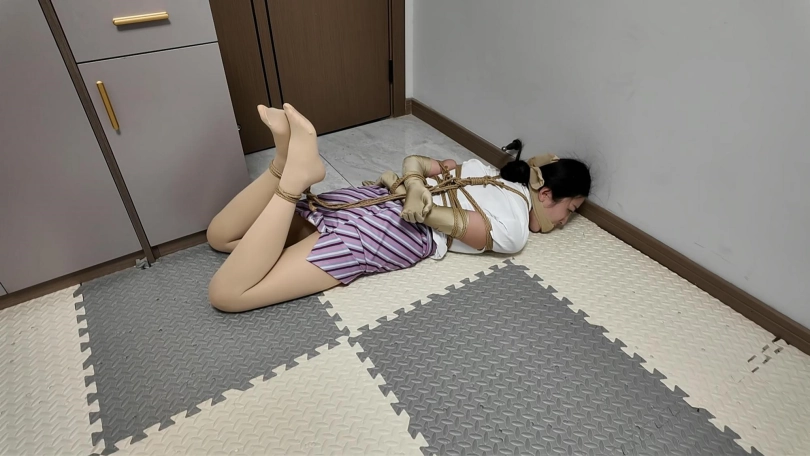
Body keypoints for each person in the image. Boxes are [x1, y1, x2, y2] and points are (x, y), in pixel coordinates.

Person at [206, 104, 591, 312]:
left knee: (221, 236)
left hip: (372, 199)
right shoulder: (515, 230)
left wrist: (414, 184)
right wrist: (417, 193)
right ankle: (293, 178)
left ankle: (283, 160)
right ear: (545, 194)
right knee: (227, 294)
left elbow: (417, 164)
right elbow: (444, 221)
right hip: (392, 232)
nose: (564, 222)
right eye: (571, 209)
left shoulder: (481, 169)